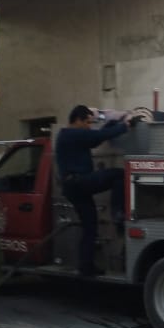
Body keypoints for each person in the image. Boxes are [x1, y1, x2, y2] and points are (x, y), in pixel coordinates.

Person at [55, 104, 130, 277]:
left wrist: (113, 123)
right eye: (87, 122)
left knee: (90, 226)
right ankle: (118, 212)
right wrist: (125, 125)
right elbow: (98, 136)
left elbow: (96, 137)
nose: (89, 126)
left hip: (74, 187)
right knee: (119, 175)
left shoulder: (68, 135)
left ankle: (86, 266)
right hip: (80, 182)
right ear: (78, 120)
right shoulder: (72, 134)